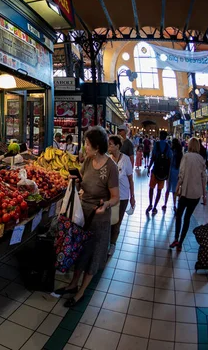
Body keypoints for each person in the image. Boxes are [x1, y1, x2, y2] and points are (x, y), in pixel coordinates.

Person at [54, 127, 119, 307]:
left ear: (97, 147)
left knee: (93, 255)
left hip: (99, 218)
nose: (85, 147)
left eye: (87, 144)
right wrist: (75, 180)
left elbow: (115, 197)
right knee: (80, 251)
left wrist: (105, 204)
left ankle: (81, 293)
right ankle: (73, 284)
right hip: (82, 213)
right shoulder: (88, 161)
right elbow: (82, 180)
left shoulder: (111, 167)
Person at [171, 138, 207, 251]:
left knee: (179, 215)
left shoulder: (186, 157)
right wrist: (204, 195)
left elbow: (181, 173)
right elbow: (204, 178)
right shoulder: (201, 159)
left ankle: (176, 238)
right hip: (196, 195)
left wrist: (178, 186)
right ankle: (181, 242)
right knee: (187, 218)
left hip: (185, 192)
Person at [108, 135, 135, 257]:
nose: (109, 146)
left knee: (117, 221)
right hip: (110, 195)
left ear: (118, 146)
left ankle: (112, 244)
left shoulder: (126, 160)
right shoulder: (108, 159)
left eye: (111, 144)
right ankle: (107, 242)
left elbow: (130, 179)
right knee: (109, 220)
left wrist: (133, 197)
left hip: (123, 196)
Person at [147, 130, 172, 215]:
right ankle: (155, 207)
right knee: (159, 190)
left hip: (155, 170)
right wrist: (168, 173)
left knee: (151, 188)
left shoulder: (156, 145)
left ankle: (150, 203)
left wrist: (149, 167)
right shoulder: (168, 146)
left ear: (160, 136)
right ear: (165, 137)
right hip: (163, 172)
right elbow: (170, 160)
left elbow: (153, 157)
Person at [163, 138, 183, 212]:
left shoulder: (171, 152)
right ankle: (175, 205)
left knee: (168, 189)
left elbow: (169, 163)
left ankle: (165, 204)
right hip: (177, 173)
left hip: (170, 172)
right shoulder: (180, 154)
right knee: (175, 190)